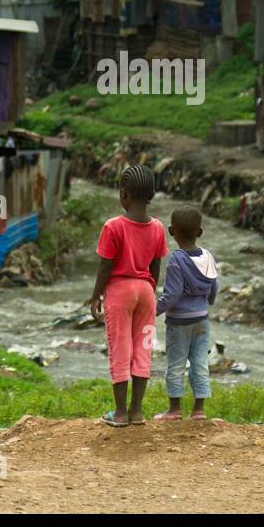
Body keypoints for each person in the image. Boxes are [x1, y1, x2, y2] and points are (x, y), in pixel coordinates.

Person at [90, 164, 167, 427]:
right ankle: (136, 412)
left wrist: (95, 296)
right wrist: (150, 289)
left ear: (124, 194)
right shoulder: (158, 227)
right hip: (146, 291)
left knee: (120, 349)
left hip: (120, 292)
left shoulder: (113, 227)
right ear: (152, 194)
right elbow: (156, 266)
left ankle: (120, 413)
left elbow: (105, 265)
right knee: (143, 349)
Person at [154, 206, 218, 421]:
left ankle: (174, 410)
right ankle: (199, 410)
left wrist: (153, 311)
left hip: (179, 322)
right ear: (200, 232)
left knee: (176, 364)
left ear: (171, 232)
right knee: (200, 362)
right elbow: (214, 286)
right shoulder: (208, 257)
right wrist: (208, 301)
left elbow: (171, 295)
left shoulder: (176, 260)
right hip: (202, 319)